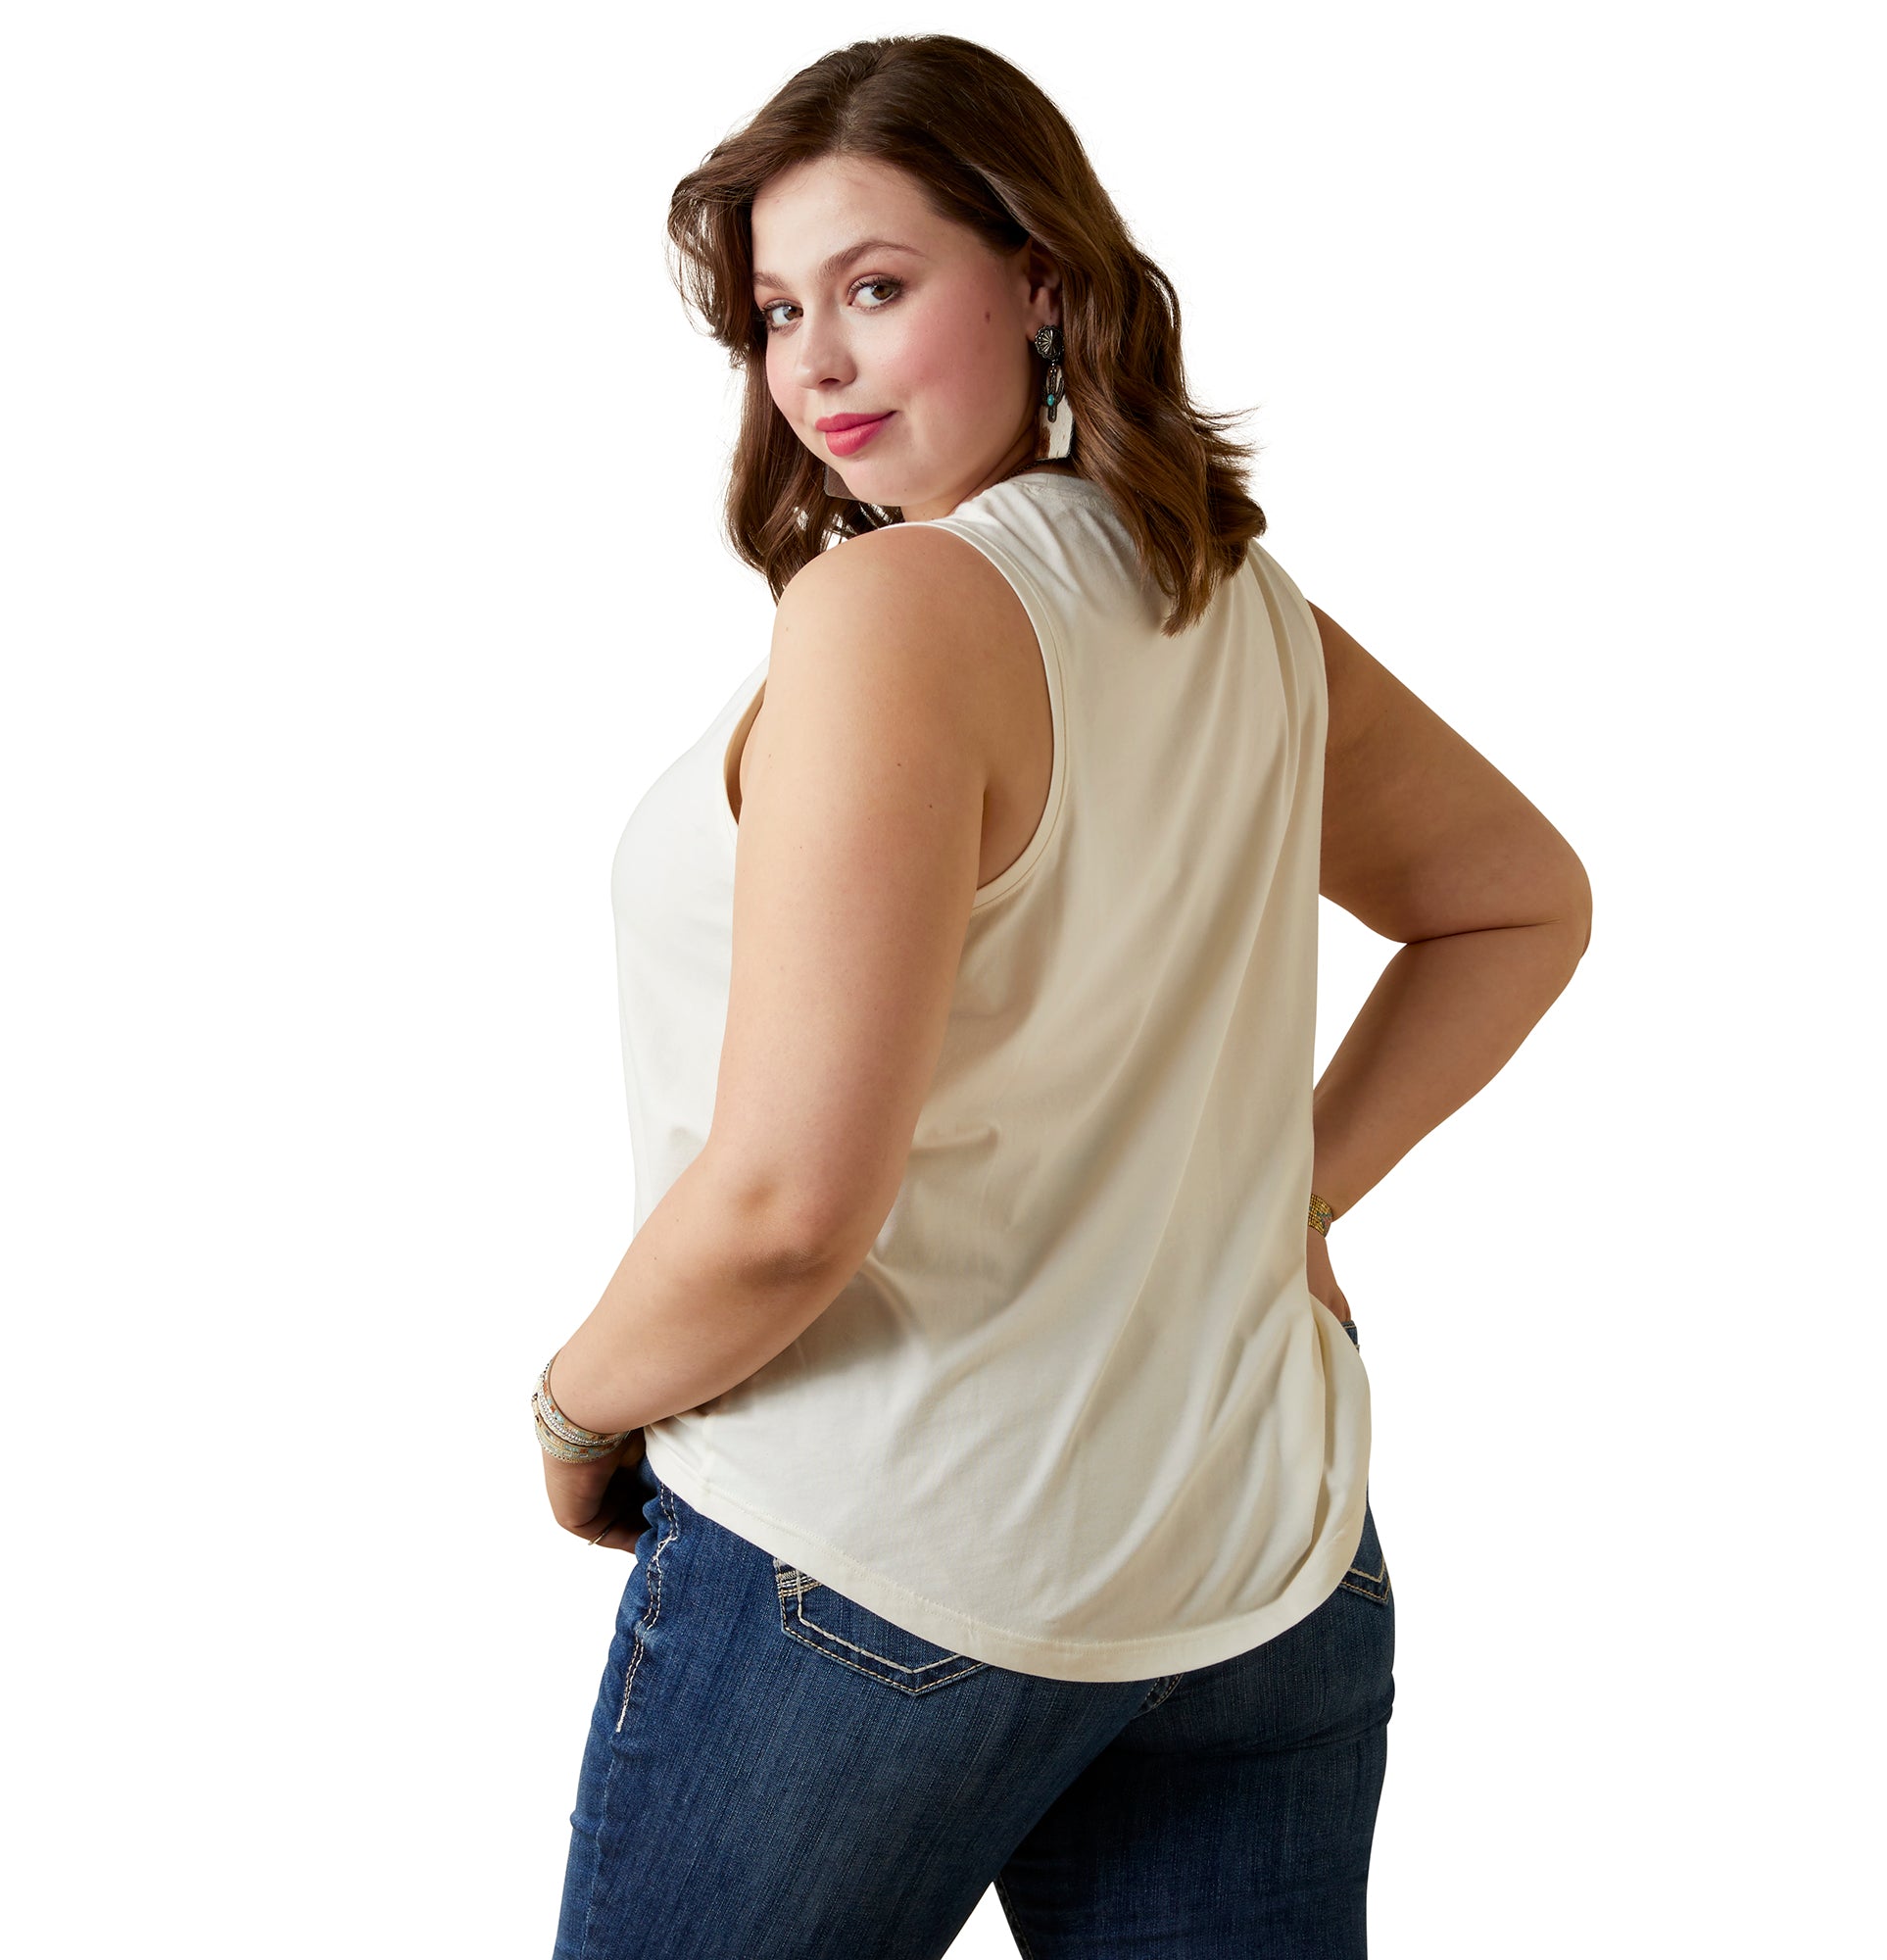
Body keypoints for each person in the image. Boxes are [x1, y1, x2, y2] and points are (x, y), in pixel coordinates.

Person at [533, 33, 1590, 1960]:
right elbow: (1515, 905)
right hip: (1255, 1556)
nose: (815, 364)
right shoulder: (1235, 606)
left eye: (875, 285)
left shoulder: (890, 610)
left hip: (885, 1555)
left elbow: (785, 1210)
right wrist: (1287, 1196)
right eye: (778, 312)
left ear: (1040, 279)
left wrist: (576, 1401)